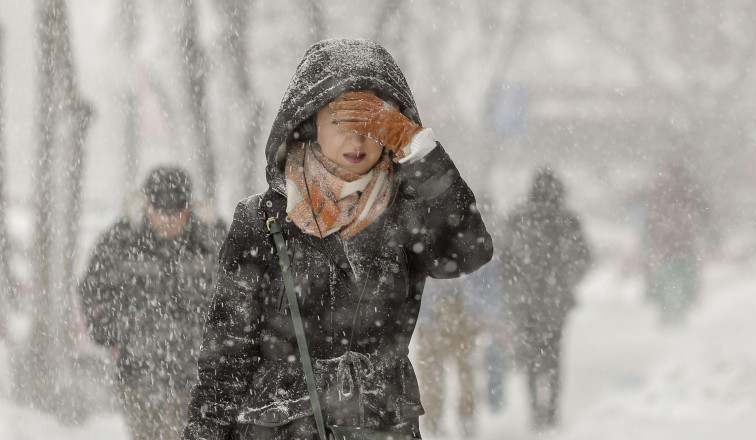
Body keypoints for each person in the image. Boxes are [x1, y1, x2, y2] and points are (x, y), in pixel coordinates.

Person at [180, 38, 493, 440]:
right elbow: (226, 358)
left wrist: (419, 150)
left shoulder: (407, 212)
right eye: (342, 123)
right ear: (309, 125)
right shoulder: (261, 219)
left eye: (374, 125)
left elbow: (470, 250)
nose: (358, 141)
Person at [79, 166, 227, 440]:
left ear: (189, 208)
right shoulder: (121, 240)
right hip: (138, 375)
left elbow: (241, 293)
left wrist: (222, 346)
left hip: (197, 378)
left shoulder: (213, 241)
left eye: (176, 213)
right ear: (148, 206)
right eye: (161, 212)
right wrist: (112, 336)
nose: (168, 221)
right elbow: (93, 289)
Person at [503, 167, 591, 430]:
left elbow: (504, 257)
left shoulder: (519, 218)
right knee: (553, 353)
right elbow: (584, 256)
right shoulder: (567, 220)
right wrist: (567, 280)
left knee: (531, 353)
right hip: (555, 298)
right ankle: (551, 409)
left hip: (526, 298)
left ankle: (535, 410)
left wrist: (514, 285)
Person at [642, 162, 710, 325]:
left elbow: (703, 213)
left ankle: (680, 316)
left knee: (684, 283)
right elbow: (650, 218)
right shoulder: (662, 193)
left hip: (683, 248)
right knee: (664, 284)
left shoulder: (688, 193)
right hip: (666, 248)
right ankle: (666, 317)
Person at [416, 277, 480, 438]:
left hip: (461, 312)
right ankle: (434, 422)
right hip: (434, 313)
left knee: (464, 374)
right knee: (432, 374)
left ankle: (464, 420)